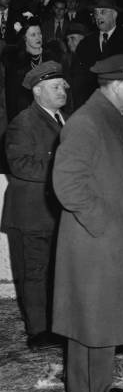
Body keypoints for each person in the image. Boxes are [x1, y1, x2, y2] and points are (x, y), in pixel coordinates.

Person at [52, 54, 123, 392]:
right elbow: (67, 186)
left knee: (101, 321)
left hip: (112, 242)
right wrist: (105, 224)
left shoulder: (117, 119)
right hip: (95, 243)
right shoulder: (86, 123)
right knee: (90, 324)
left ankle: (96, 386)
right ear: (116, 84)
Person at [1, 61, 67, 350]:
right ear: (38, 91)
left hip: (51, 212)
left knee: (52, 271)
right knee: (34, 272)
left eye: (63, 85)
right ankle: (38, 332)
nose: (62, 90)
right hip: (30, 214)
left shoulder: (63, 118)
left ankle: (54, 326)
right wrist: (64, 166)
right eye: (55, 87)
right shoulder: (23, 122)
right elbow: (20, 164)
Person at [71, 0, 123, 108]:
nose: (98, 17)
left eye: (103, 12)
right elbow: (79, 78)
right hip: (92, 104)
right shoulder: (86, 43)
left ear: (114, 15)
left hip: (120, 103)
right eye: (96, 13)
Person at [5, 16, 61, 121]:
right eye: (33, 35)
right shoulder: (16, 63)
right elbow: (12, 99)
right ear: (24, 38)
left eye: (39, 33)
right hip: (27, 118)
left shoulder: (52, 58)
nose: (38, 38)